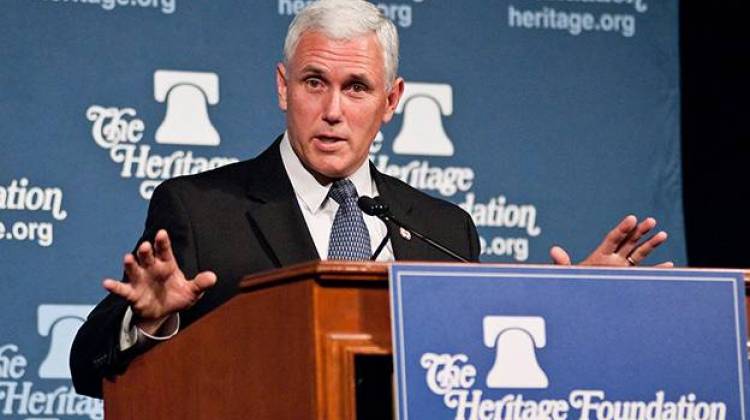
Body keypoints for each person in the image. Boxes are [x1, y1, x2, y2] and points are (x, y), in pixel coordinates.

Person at [69, 0, 670, 399]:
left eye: (356, 88)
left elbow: (489, 375)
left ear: (391, 100)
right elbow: (87, 370)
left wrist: (574, 310)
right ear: (284, 87)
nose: (333, 111)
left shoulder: (445, 229)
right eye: (314, 83)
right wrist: (147, 320)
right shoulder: (201, 208)